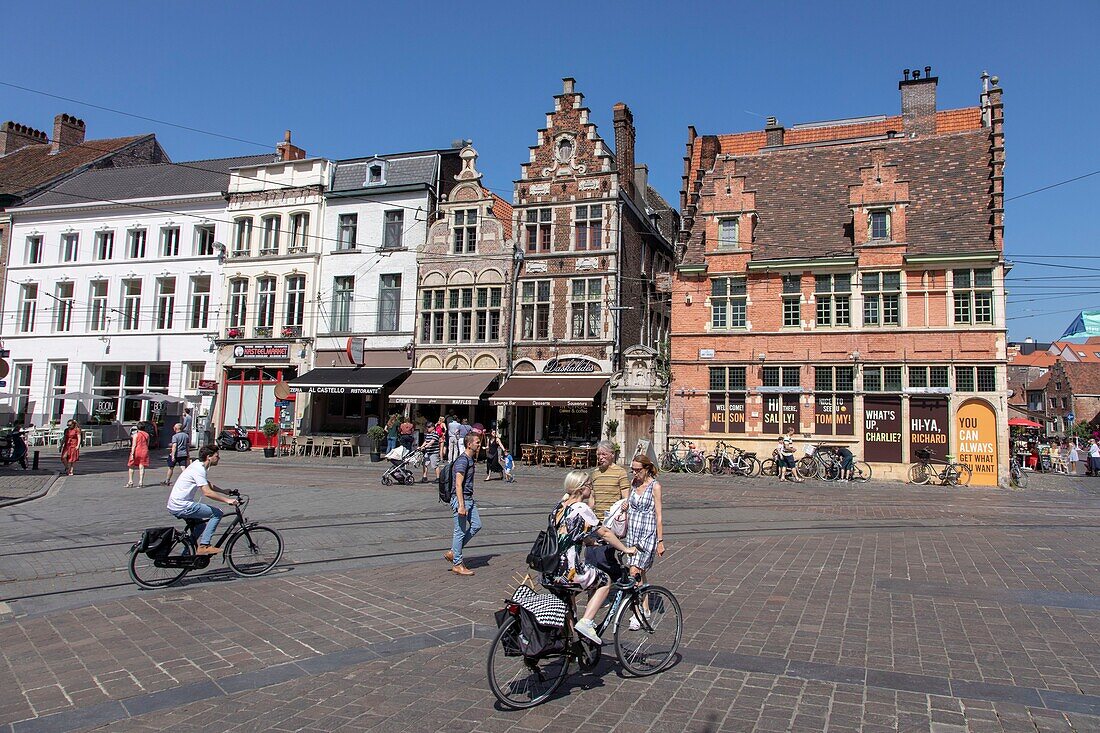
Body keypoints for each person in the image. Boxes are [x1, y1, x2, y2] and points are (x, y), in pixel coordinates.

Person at [548, 470, 637, 645]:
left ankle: (573, 649)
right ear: (582, 489)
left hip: (550, 568)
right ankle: (587, 623)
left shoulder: (559, 506)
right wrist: (625, 549)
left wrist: (589, 542)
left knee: (569, 606)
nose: (591, 488)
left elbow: (567, 532)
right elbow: (604, 532)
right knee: (604, 581)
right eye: (589, 485)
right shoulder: (581, 508)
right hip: (569, 570)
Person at [166, 445, 239, 556]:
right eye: (217, 456)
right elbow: (207, 492)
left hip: (175, 504)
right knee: (217, 513)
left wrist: (223, 491)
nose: (218, 458)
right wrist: (227, 500)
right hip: (181, 506)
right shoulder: (199, 469)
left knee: (200, 525)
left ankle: (187, 554)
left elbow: (206, 483)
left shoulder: (197, 465)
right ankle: (204, 545)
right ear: (209, 457)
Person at [625, 454, 665, 629]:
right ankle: (646, 607)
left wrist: (660, 540)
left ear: (647, 468)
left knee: (635, 571)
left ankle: (639, 614)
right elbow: (628, 503)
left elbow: (659, 515)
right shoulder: (634, 484)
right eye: (632, 470)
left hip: (647, 535)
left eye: (637, 470)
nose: (634, 473)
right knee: (639, 572)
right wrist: (624, 506)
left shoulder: (655, 486)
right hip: (633, 533)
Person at [586, 440, 630, 582]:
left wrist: (626, 505)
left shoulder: (620, 472)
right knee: (590, 557)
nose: (600, 457)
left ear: (612, 454)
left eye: (604, 454)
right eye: (598, 454)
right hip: (595, 521)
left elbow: (626, 496)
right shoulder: (595, 473)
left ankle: (624, 576)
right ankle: (596, 586)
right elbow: (592, 496)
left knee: (603, 558)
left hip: (610, 522)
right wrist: (588, 511)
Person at [444, 432, 482, 576]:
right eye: (477, 442)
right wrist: (461, 505)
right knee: (459, 531)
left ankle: (454, 552)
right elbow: (458, 484)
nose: (479, 445)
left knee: (477, 525)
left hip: (469, 499)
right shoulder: (462, 460)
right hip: (461, 499)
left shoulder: (470, 460)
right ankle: (457, 564)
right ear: (469, 444)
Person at [127, 423, 151, 488]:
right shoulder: (147, 435)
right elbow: (148, 444)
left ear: (137, 428)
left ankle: (130, 482)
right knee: (142, 466)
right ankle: (140, 482)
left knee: (131, 466)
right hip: (144, 451)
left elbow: (134, 445)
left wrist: (132, 454)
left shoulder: (136, 435)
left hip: (137, 451)